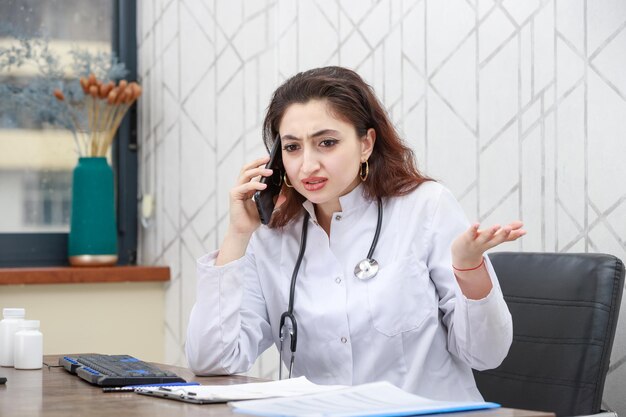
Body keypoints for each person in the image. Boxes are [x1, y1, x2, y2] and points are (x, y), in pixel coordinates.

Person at [185, 66, 525, 401]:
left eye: (327, 143)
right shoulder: (273, 234)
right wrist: (238, 234)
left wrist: (469, 268)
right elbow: (212, 362)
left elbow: (486, 354)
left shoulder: (425, 207)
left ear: (366, 144)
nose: (307, 166)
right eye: (292, 147)